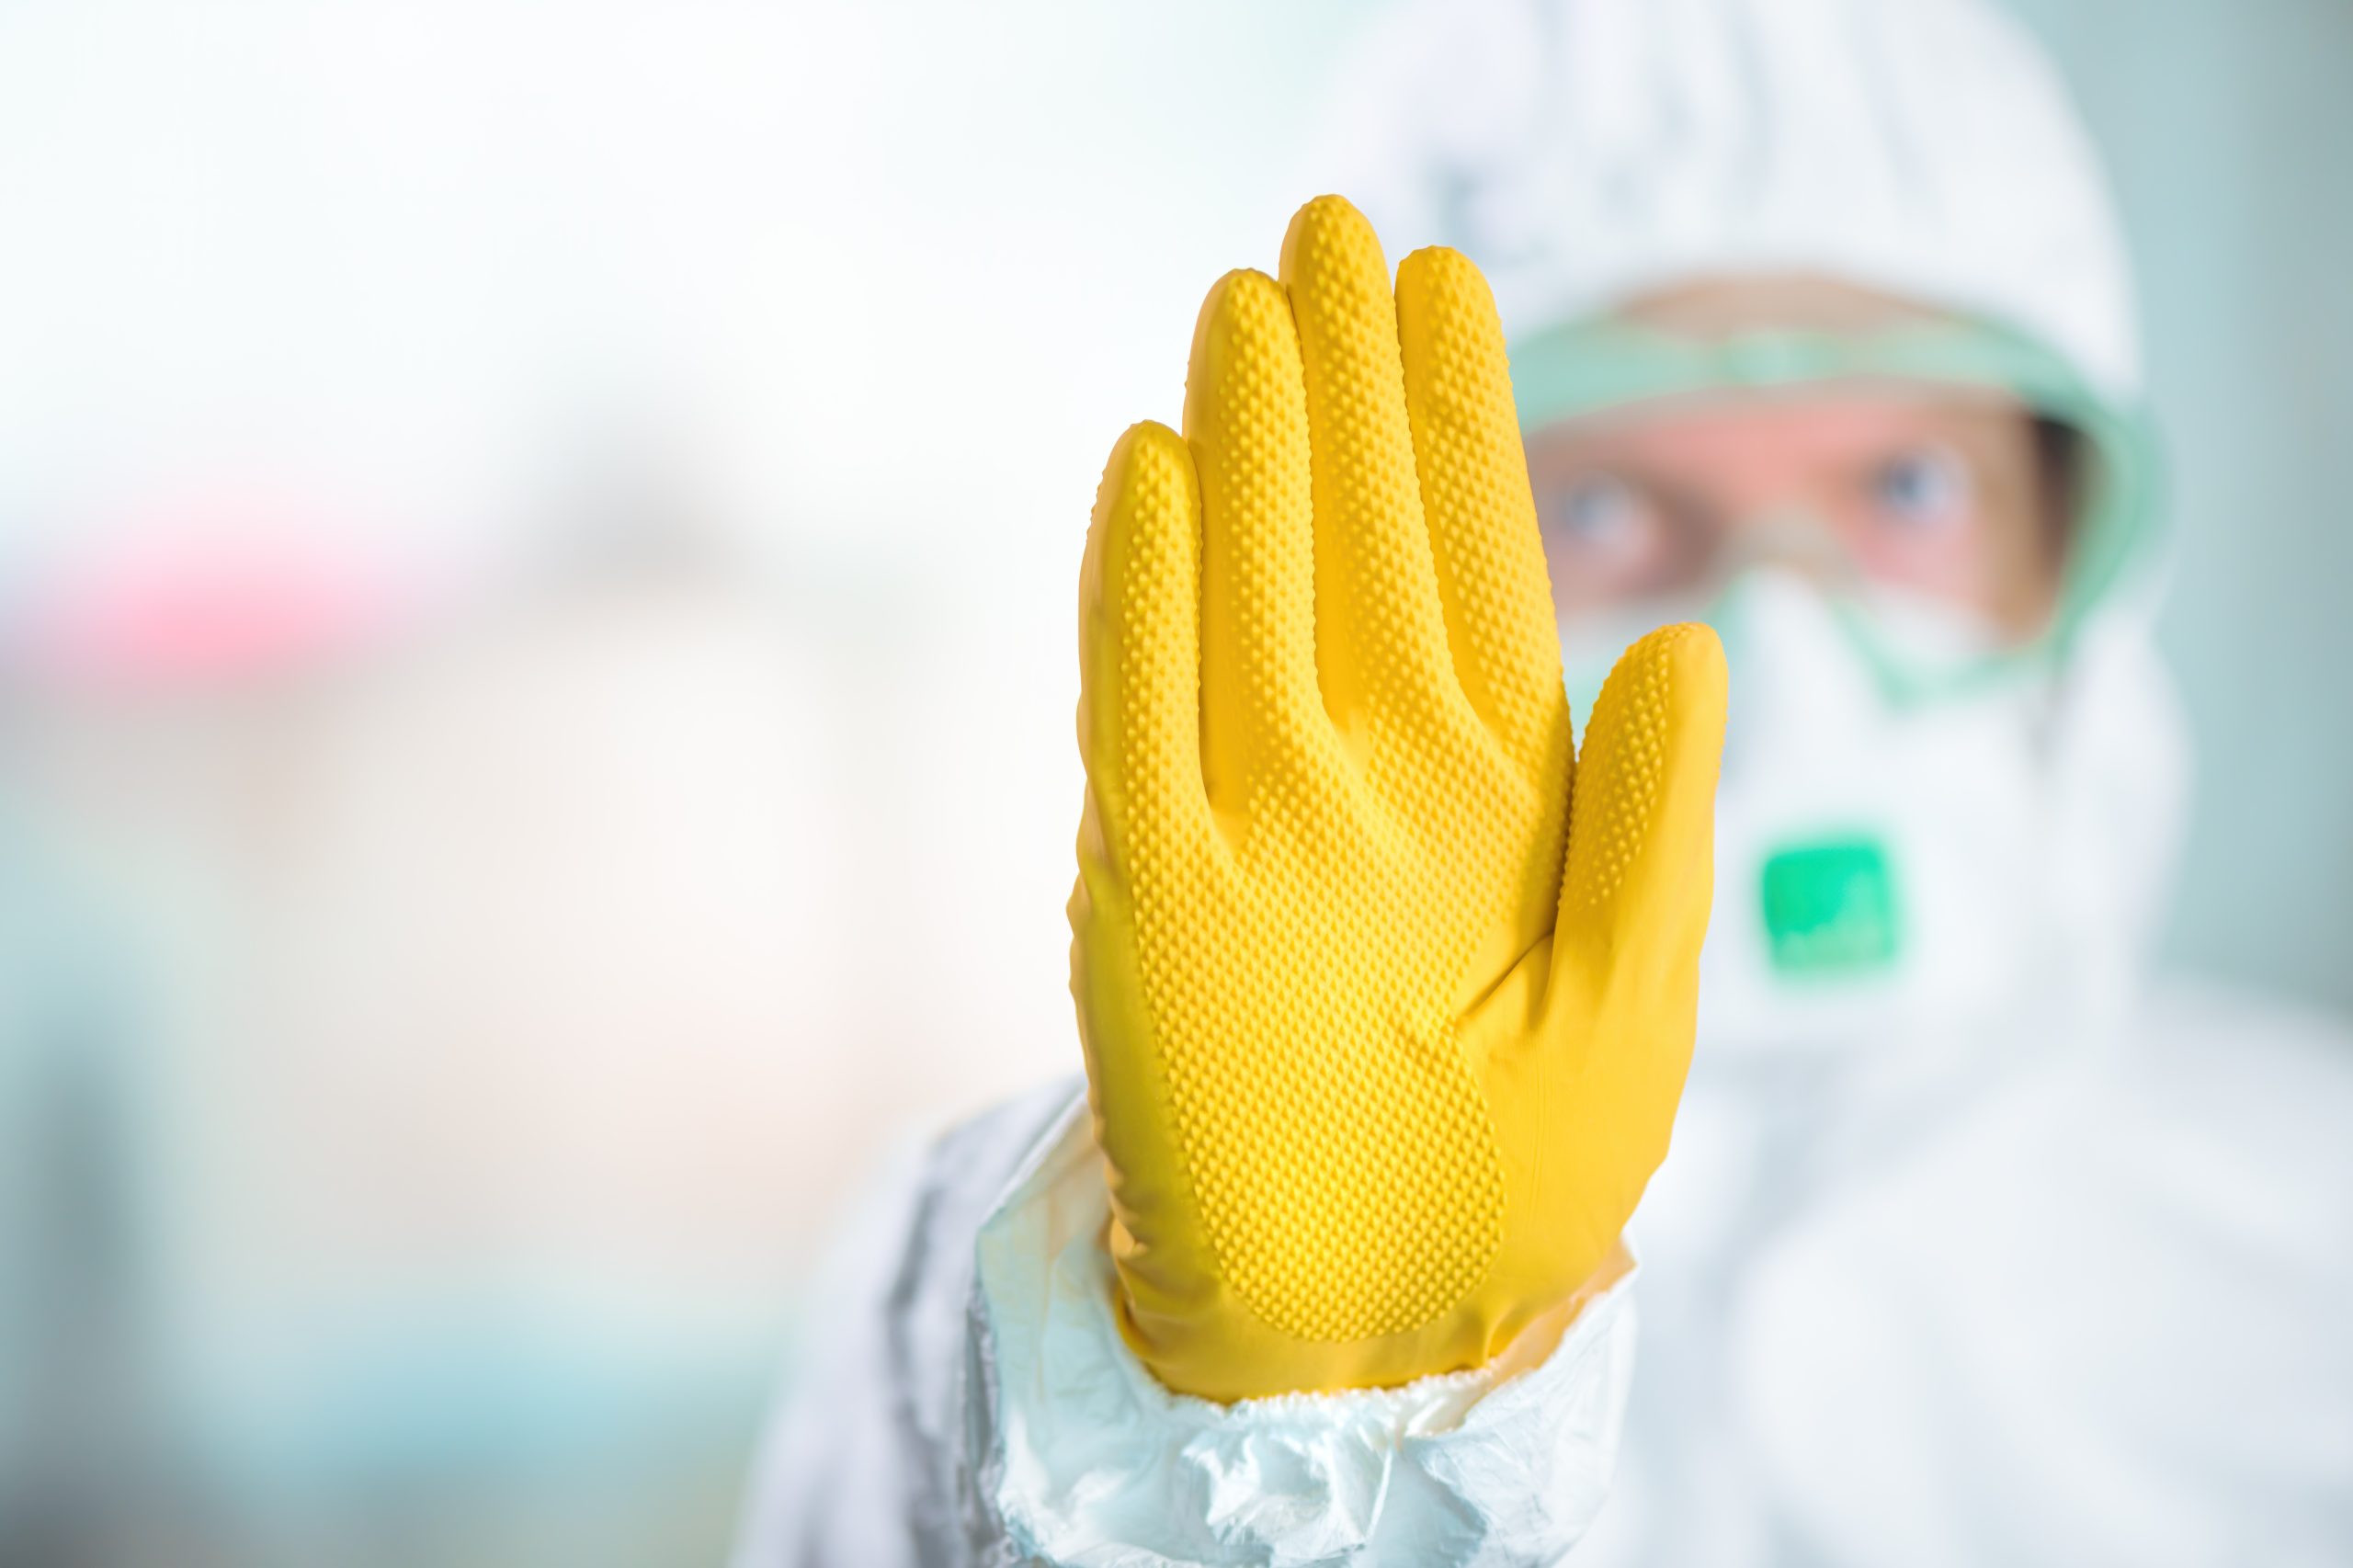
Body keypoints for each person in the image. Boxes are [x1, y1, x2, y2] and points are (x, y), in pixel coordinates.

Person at [733, 0, 2353, 1562]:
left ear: (2069, 547)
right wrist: (1222, 1428)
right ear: (1376, 553)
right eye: (1599, 512)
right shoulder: (1026, 1277)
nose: (1775, 650)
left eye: (1908, 485)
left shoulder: (2317, 1234)